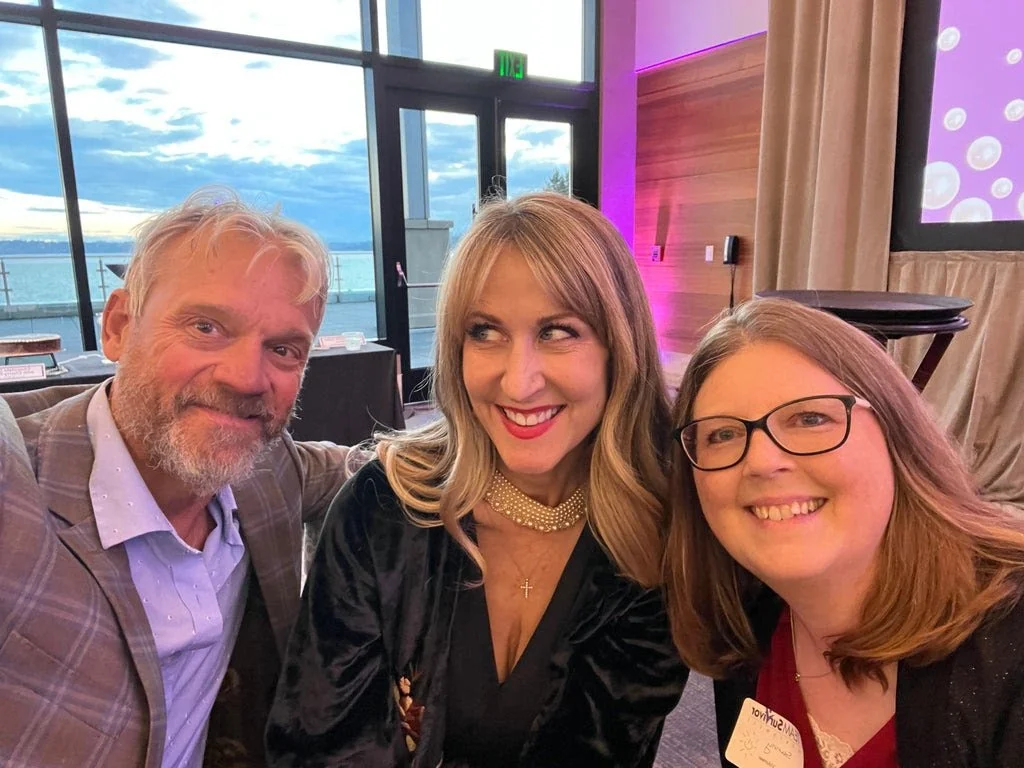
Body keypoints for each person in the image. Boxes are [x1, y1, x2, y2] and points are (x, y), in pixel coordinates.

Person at [266, 192, 688, 767]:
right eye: (485, 331)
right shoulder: (383, 511)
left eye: (558, 331)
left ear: (619, 346)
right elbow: (318, 745)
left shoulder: (656, 539)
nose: (518, 383)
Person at [0, 187, 355, 768]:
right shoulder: (20, 488)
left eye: (284, 349)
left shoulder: (265, 471)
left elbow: (367, 466)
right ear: (118, 326)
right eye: (206, 327)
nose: (246, 378)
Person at [663, 297, 1024, 767]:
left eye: (810, 418)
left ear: (897, 433)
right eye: (723, 434)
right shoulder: (746, 620)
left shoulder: (1010, 649)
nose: (763, 462)